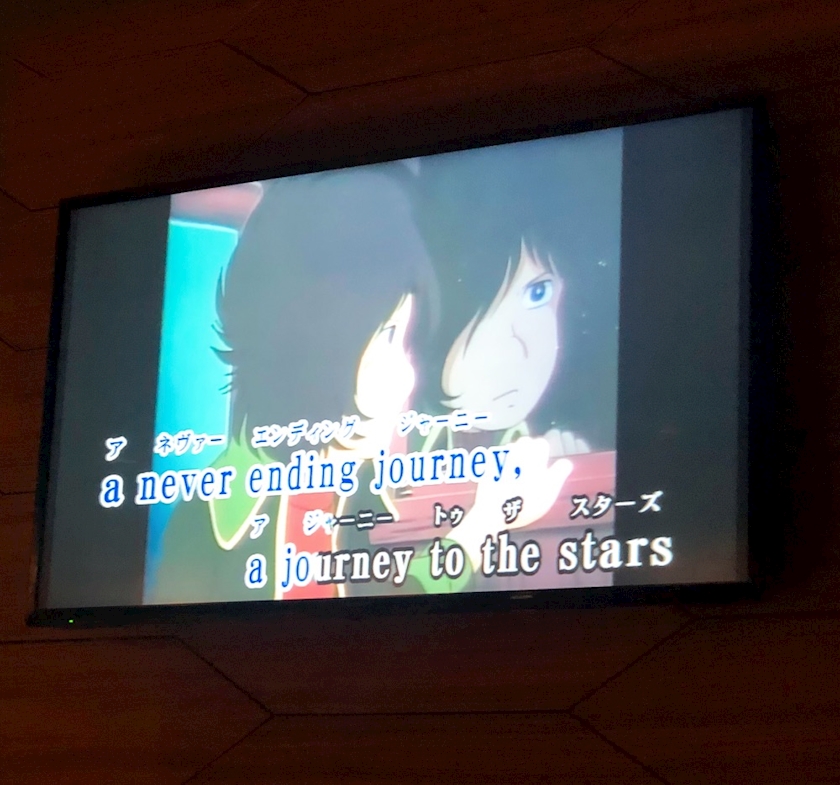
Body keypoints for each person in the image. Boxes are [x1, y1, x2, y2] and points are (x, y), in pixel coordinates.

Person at [149, 163, 438, 604]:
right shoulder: (210, 515)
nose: (406, 377)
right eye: (385, 337)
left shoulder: (368, 496)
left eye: (405, 341)